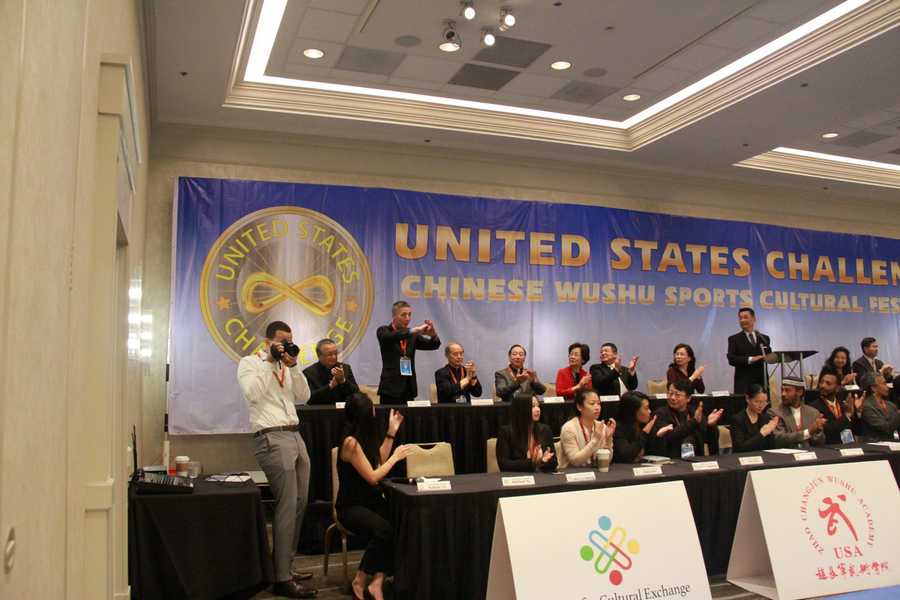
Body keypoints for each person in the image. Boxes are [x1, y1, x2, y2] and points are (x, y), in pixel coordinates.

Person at [237, 321, 316, 598]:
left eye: (289, 341)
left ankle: (285, 566)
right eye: (282, 341)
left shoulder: (286, 366)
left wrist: (293, 367)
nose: (285, 346)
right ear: (268, 341)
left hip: (295, 434)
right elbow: (252, 394)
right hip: (271, 436)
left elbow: (304, 396)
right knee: (287, 504)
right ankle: (282, 579)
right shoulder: (250, 363)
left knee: (300, 503)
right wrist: (269, 361)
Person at [337, 393, 412, 600]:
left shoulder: (363, 437)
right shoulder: (350, 443)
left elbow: (378, 461)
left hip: (370, 501)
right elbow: (372, 477)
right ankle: (360, 579)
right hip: (351, 506)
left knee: (399, 521)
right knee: (384, 530)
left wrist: (391, 432)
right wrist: (395, 458)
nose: (374, 413)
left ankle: (377, 582)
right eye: (371, 410)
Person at [376, 301, 441, 404]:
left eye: (409, 314)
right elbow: (393, 336)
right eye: (403, 315)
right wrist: (414, 330)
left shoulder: (412, 335)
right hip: (390, 388)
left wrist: (433, 335)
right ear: (394, 316)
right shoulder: (383, 330)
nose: (408, 318)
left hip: (408, 387)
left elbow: (433, 345)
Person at [652, 379, 723, 459]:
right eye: (670, 393)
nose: (672, 398)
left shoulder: (694, 412)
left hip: (696, 460)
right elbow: (670, 436)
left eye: (677, 395)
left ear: (688, 398)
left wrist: (711, 426)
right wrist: (693, 422)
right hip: (672, 460)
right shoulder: (660, 413)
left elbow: (708, 439)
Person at [496, 395, 557, 472]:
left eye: (538, 406)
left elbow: (554, 461)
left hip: (541, 477)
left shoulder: (545, 430)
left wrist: (544, 461)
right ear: (521, 409)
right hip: (518, 478)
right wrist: (532, 462)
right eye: (533, 406)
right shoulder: (506, 432)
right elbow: (504, 465)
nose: (538, 409)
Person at [559, 389, 615, 468]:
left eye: (598, 404)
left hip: (595, 473)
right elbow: (575, 461)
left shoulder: (602, 427)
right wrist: (595, 440)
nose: (597, 407)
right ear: (579, 407)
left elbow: (607, 460)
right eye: (592, 404)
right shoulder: (569, 428)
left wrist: (608, 439)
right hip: (573, 473)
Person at [809, 372, 864, 445]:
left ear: (838, 388)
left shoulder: (844, 403)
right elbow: (827, 431)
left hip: (849, 445)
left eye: (828, 383)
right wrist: (847, 416)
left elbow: (858, 431)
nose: (823, 386)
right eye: (821, 382)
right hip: (830, 447)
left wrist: (858, 412)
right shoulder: (814, 407)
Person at [726, 307, 771, 394]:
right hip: (743, 384)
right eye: (740, 318)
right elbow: (731, 359)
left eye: (745, 317)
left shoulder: (764, 338)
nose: (742, 320)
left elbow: (769, 355)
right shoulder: (734, 339)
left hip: (762, 382)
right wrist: (750, 359)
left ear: (754, 319)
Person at [772, 378, 826, 448]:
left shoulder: (813, 412)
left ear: (800, 392)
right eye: (782, 390)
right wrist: (808, 432)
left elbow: (820, 442)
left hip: (810, 452)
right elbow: (780, 439)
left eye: (787, 390)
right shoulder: (775, 412)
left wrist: (817, 431)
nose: (783, 394)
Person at [304, 338, 359, 405]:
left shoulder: (345, 368)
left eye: (335, 353)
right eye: (329, 354)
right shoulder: (309, 372)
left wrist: (343, 380)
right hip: (320, 409)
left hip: (344, 409)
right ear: (319, 355)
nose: (334, 357)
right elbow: (309, 398)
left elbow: (357, 393)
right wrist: (330, 386)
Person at [728, 384, 779, 452]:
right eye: (757, 402)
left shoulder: (766, 418)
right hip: (745, 457)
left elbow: (771, 447)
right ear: (747, 399)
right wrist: (762, 434)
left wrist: (772, 433)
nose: (761, 406)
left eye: (764, 402)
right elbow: (740, 448)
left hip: (764, 457)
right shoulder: (737, 420)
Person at [612, 391, 656, 463]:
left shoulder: (645, 424)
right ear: (633, 411)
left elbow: (656, 454)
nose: (650, 411)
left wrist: (659, 437)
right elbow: (626, 456)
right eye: (646, 408)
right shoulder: (618, 429)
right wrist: (644, 433)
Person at [860, 373, 900, 440]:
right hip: (873, 443)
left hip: (892, 442)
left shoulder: (891, 405)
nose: (887, 387)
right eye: (884, 383)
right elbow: (885, 428)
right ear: (873, 388)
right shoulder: (867, 406)